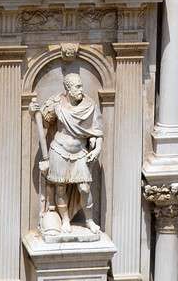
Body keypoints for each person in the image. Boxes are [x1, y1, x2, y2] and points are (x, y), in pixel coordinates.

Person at [34, 73, 103, 237]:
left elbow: (97, 131)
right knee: (60, 188)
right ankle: (65, 220)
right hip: (59, 150)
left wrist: (97, 148)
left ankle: (89, 220)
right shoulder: (57, 103)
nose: (81, 89)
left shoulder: (90, 105)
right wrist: (34, 112)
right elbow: (44, 121)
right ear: (68, 88)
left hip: (80, 152)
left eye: (81, 85)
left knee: (85, 188)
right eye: (77, 86)